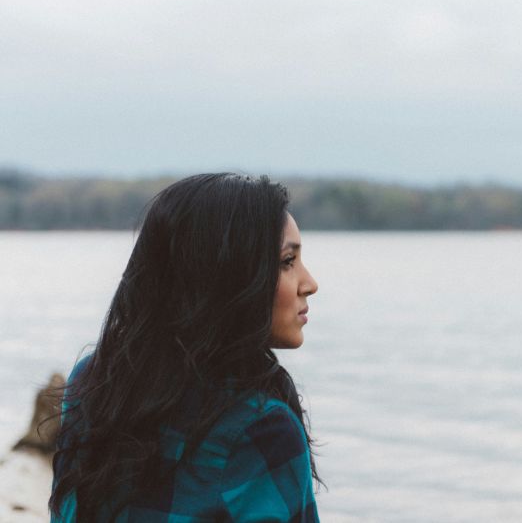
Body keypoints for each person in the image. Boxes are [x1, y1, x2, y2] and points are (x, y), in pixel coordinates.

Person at [49, 173, 322, 522]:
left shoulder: (94, 382)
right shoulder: (261, 429)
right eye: (287, 262)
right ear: (228, 275)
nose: (309, 283)